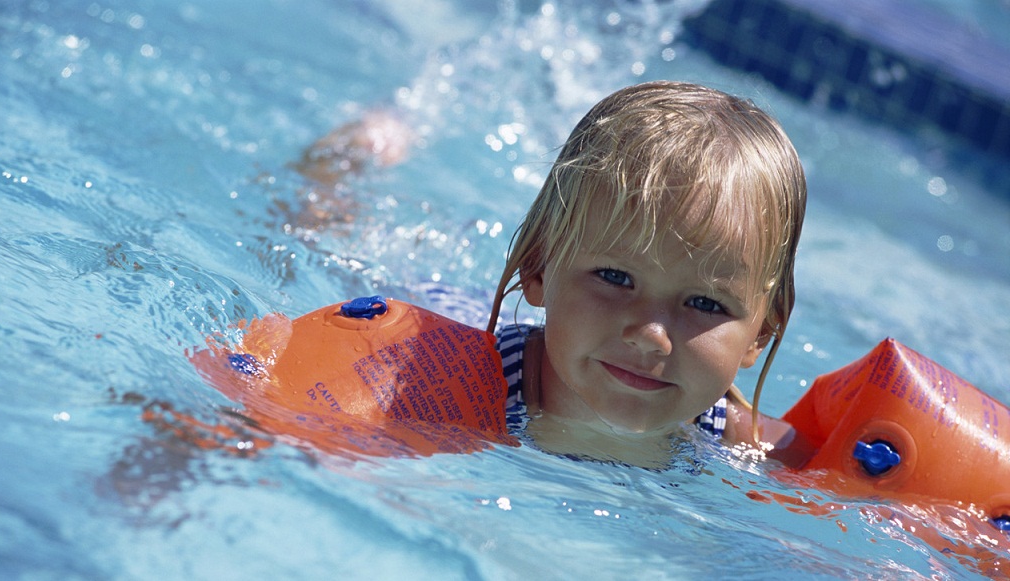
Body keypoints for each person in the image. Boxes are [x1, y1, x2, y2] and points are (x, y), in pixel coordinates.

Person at [296, 81, 812, 468]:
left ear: (760, 334)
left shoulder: (743, 443)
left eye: (705, 303)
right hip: (459, 316)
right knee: (325, 242)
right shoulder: (450, 384)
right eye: (615, 276)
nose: (652, 336)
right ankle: (341, 166)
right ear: (538, 268)